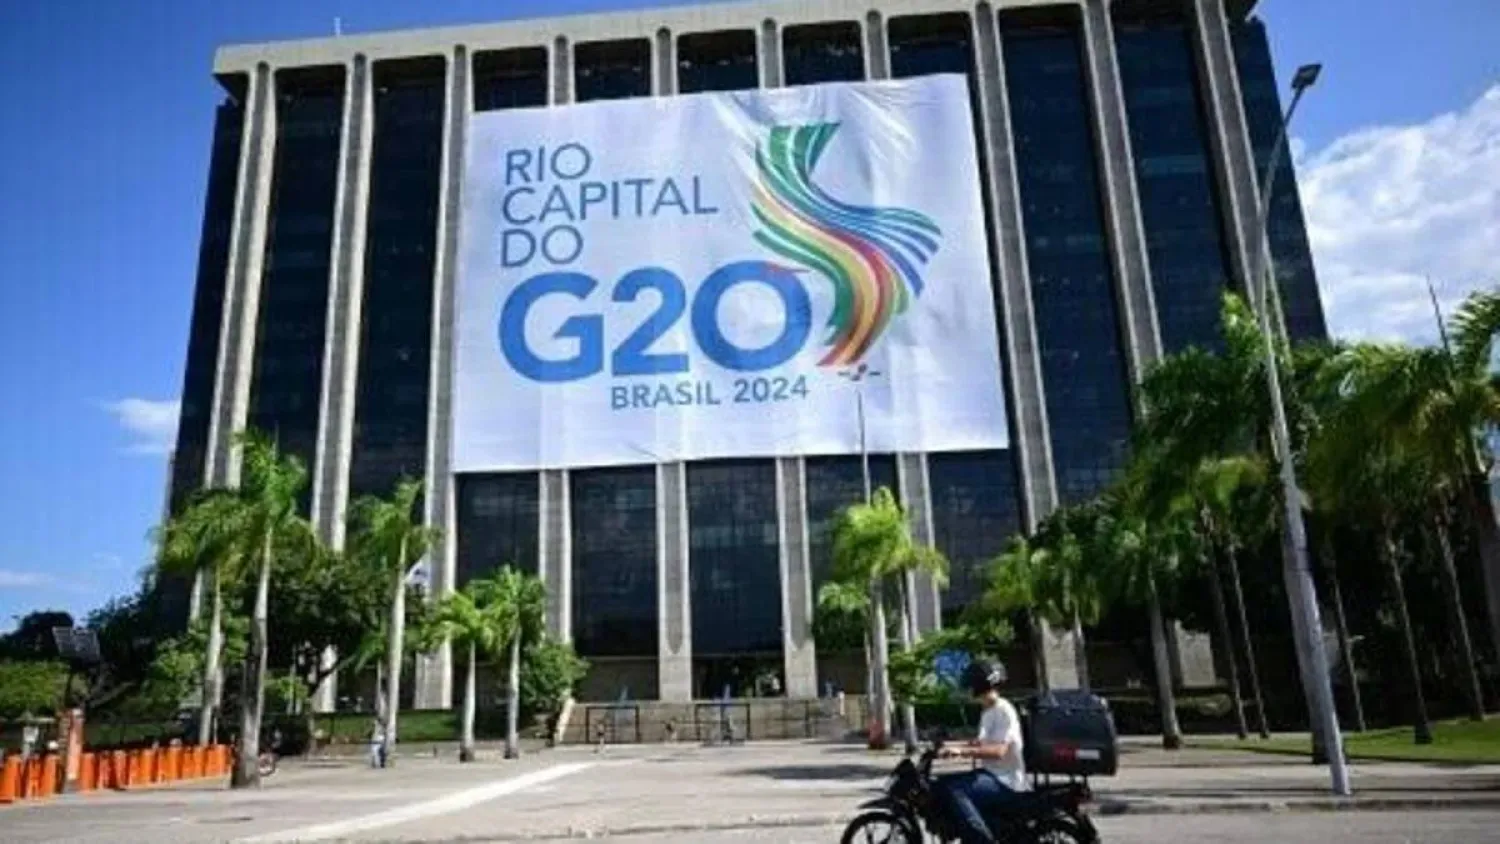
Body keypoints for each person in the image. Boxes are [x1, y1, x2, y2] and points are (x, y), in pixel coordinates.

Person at [933, 659, 1027, 844]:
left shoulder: (1003, 710)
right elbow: (979, 743)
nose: (969, 691)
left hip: (1007, 781)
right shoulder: (988, 711)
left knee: (957, 790)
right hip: (992, 775)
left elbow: (999, 751)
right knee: (941, 783)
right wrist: (949, 746)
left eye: (971, 685)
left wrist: (960, 752)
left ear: (980, 685)